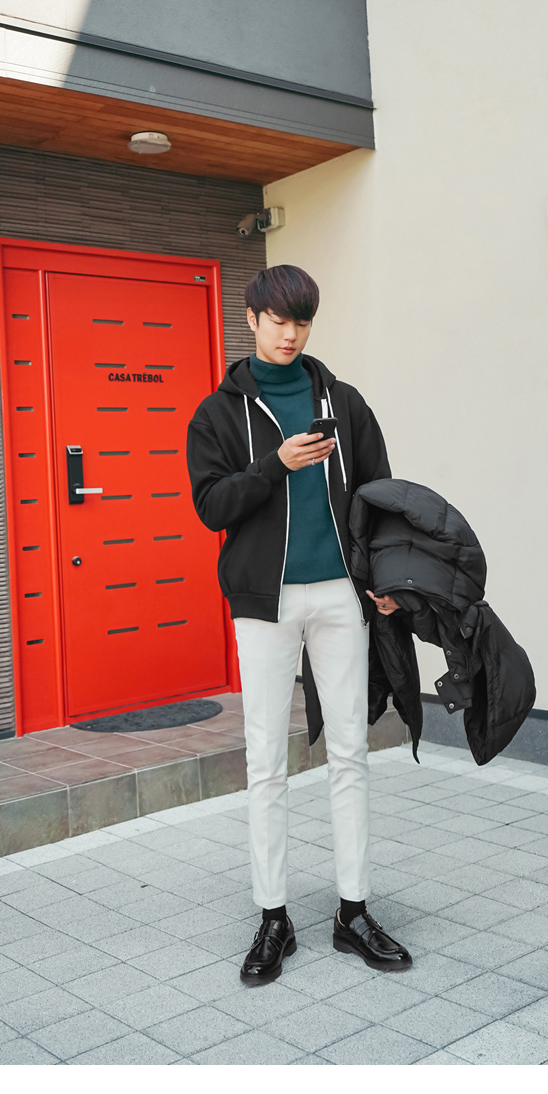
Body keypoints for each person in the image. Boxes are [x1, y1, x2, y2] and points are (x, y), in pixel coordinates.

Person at [186, 263, 413, 987]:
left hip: (342, 597)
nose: (290, 334)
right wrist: (275, 465)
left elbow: (379, 497)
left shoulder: (343, 402)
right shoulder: (217, 414)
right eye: (278, 320)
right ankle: (273, 917)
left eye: (302, 321)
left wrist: (382, 583)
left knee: (351, 753)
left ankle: (354, 911)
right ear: (251, 319)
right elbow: (212, 507)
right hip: (266, 602)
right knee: (266, 762)